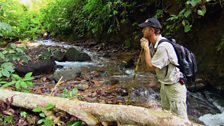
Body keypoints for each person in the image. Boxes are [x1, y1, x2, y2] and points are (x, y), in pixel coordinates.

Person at [139, 17, 189, 121]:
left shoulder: (163, 46)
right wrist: (146, 49)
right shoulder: (154, 45)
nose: (142, 30)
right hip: (165, 85)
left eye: (144, 28)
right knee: (166, 115)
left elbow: (151, 67)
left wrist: (146, 49)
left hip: (175, 86)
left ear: (152, 30)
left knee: (181, 119)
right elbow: (145, 65)